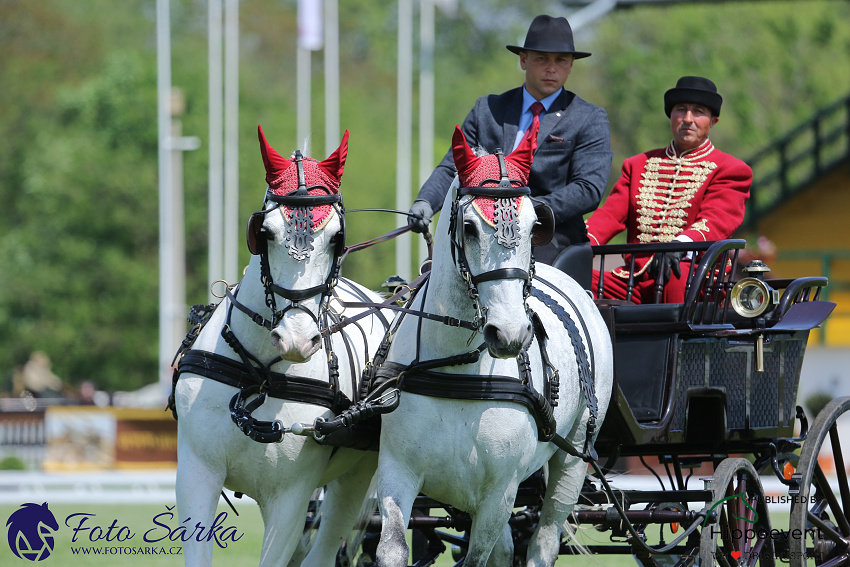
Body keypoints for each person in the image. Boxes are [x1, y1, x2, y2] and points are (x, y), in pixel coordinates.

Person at [408, 14, 613, 271]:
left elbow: (588, 188)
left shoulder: (588, 118)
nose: (551, 68)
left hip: (551, 240)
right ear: (523, 60)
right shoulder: (487, 110)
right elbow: (452, 168)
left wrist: (522, 210)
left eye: (561, 60)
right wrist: (425, 202)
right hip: (481, 234)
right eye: (542, 59)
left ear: (571, 64)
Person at [585, 76, 753, 304]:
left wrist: (680, 246)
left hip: (694, 277)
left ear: (713, 121)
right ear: (671, 116)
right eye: (681, 110)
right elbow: (609, 216)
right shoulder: (638, 165)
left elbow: (715, 221)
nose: (688, 119)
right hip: (633, 278)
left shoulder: (731, 169)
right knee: (574, 280)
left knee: (678, 276)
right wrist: (578, 245)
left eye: (698, 111)